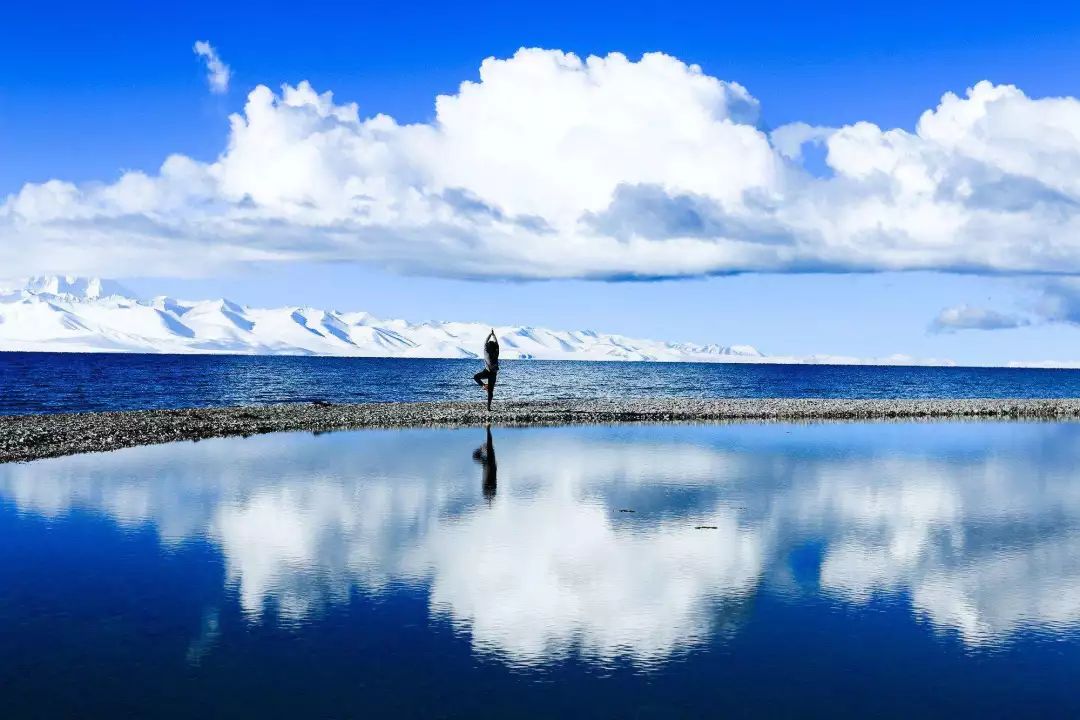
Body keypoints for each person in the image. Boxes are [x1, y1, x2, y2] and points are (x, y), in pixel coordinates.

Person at [473, 328, 499, 411]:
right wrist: (493, 335)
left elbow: (485, 342)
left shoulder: (486, 351)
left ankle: (484, 386)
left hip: (487, 371)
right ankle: (488, 408)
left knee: (476, 377)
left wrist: (490, 335)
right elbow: (496, 343)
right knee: (490, 392)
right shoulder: (496, 352)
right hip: (492, 373)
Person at [472, 424, 497, 503]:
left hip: (488, 465)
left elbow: (485, 484)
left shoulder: (489, 488)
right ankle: (488, 430)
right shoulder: (491, 487)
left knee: (476, 456)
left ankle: (488, 431)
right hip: (490, 465)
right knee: (488, 447)